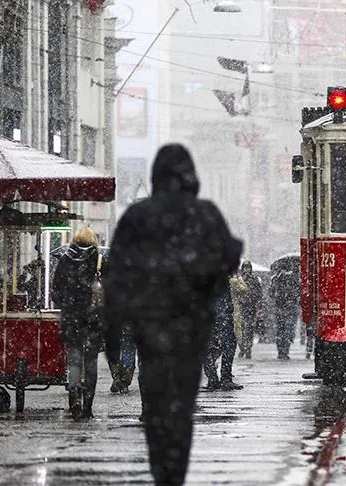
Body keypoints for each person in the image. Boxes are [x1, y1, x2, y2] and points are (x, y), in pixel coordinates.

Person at [103, 144, 242, 486]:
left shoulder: (137, 217)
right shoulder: (204, 214)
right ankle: (174, 473)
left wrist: (112, 335)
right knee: (181, 406)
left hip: (149, 329)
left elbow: (115, 278)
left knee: (155, 404)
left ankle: (160, 470)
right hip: (191, 330)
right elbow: (229, 258)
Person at [51, 226, 105, 420]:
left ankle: (74, 404)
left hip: (72, 318)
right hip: (93, 319)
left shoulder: (65, 259)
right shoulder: (98, 260)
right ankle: (87, 407)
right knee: (91, 362)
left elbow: (55, 289)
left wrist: (67, 304)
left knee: (74, 361)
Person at [204, 277, 243, 391]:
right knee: (228, 348)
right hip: (224, 318)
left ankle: (214, 378)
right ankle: (224, 379)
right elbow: (243, 289)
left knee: (211, 349)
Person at [270, 267, 299, 360]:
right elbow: (272, 293)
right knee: (285, 330)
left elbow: (271, 294)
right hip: (285, 309)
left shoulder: (289, 279)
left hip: (286, 309)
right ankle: (283, 351)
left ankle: (283, 351)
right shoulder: (277, 279)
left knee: (284, 330)